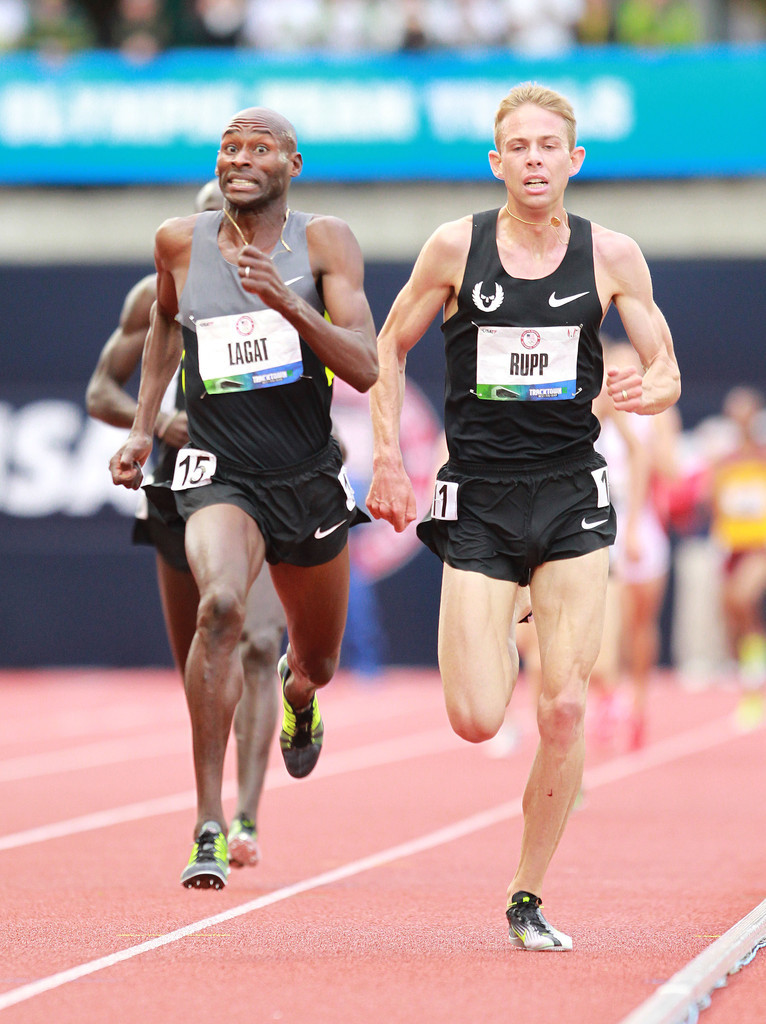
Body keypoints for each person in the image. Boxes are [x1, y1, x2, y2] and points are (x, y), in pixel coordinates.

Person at [367, 81, 680, 950]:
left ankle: (526, 894)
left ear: (573, 160)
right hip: (480, 494)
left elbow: (665, 368)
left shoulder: (612, 255)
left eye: (549, 146)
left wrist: (648, 391)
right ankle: (507, 614)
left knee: (564, 708)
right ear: (496, 161)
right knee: (476, 717)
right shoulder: (454, 247)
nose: (534, 160)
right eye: (519, 147)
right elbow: (388, 348)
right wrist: (389, 457)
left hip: (572, 491)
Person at [109, 108, 378, 890]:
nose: (240, 159)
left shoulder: (326, 242)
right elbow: (165, 324)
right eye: (230, 148)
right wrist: (141, 429)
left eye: (260, 148)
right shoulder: (177, 242)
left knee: (317, 658)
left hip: (306, 477)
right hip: (218, 471)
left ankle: (300, 695)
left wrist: (288, 305)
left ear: (292, 164)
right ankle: (208, 822)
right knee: (221, 607)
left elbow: (365, 366)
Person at [88, 179, 285, 876]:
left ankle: (242, 816)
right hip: (181, 485)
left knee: (259, 642)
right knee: (203, 658)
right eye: (206, 222)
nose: (218, 236)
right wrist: (159, 420)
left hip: (261, 480)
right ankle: (210, 809)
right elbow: (100, 391)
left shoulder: (282, 285)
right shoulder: (155, 294)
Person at [594, 338, 680, 749]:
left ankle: (639, 703)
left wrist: (648, 441)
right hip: (599, 520)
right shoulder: (595, 407)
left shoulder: (658, 414)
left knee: (639, 625)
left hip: (640, 521)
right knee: (602, 624)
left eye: (629, 369)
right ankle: (608, 696)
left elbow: (672, 470)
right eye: (613, 369)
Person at [707, 386, 766, 728]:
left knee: (743, 600)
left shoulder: (762, 457)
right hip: (731, 548)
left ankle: (753, 688)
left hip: (759, 548)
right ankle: (750, 679)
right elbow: (714, 505)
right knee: (733, 616)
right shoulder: (723, 462)